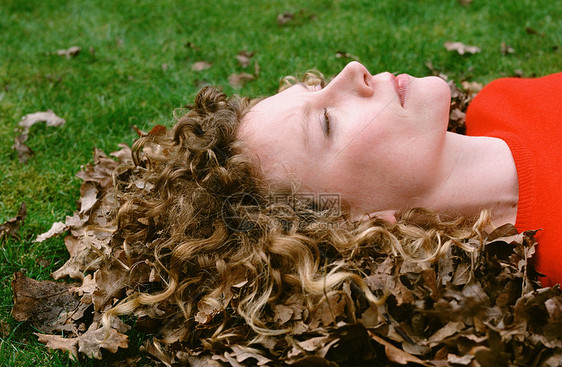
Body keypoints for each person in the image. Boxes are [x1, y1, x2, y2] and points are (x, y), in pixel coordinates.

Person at [108, 62, 559, 335]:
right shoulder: (552, 259)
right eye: (327, 123)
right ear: (358, 225)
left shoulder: (500, 101)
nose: (351, 73)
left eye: (314, 87)